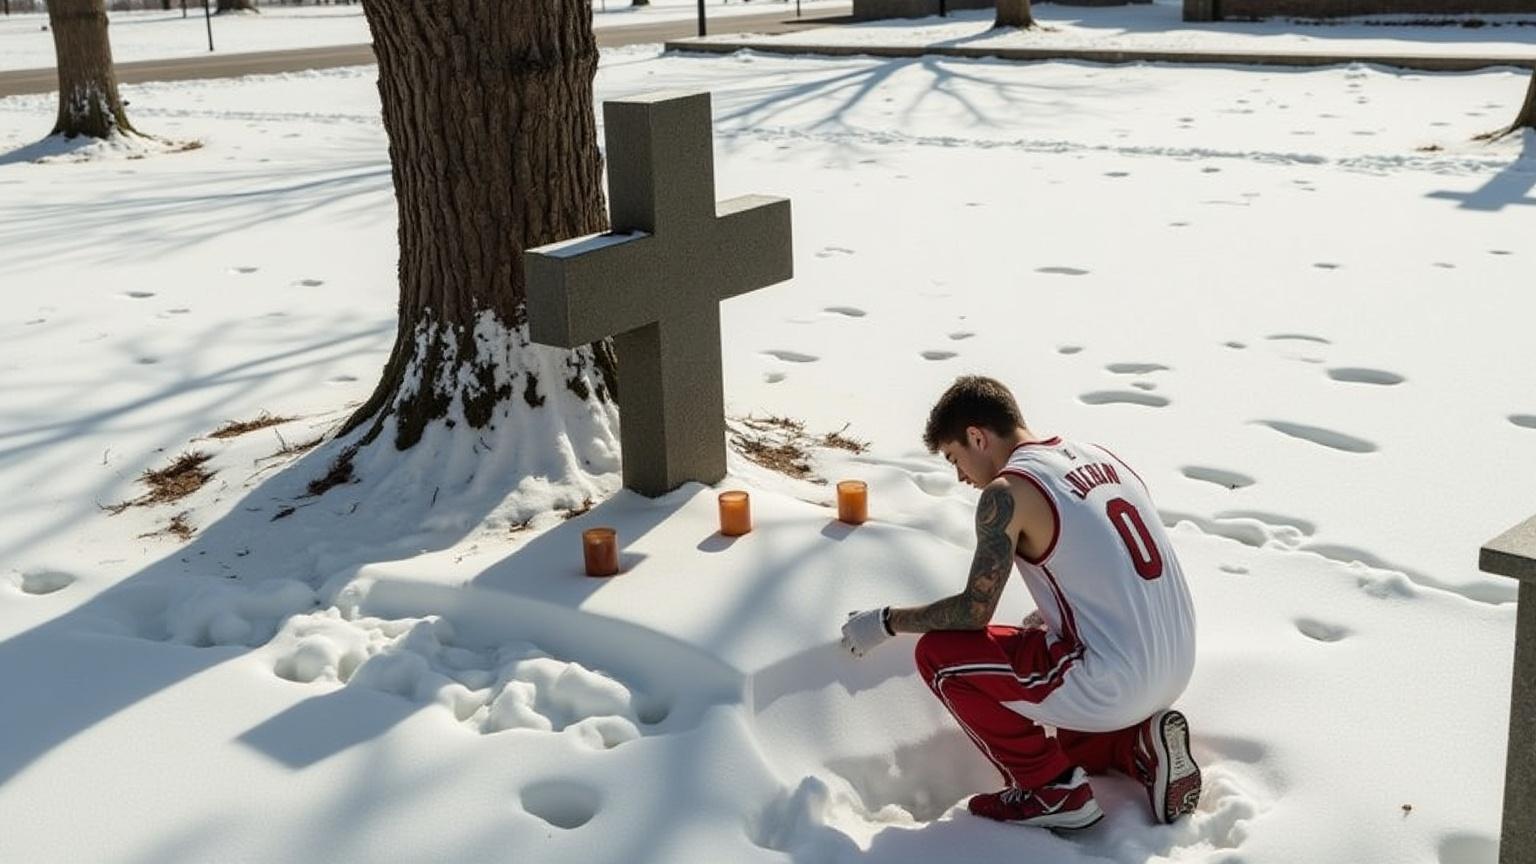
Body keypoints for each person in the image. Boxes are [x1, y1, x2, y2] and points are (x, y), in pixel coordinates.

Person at [840, 375, 1201, 831]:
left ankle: (1049, 790)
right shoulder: (1101, 457)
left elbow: (974, 612)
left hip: (1116, 681)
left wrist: (887, 621)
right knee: (1053, 672)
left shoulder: (1007, 493)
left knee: (942, 656)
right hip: (1177, 663)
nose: (960, 476)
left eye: (956, 458)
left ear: (977, 436)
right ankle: (1134, 745)